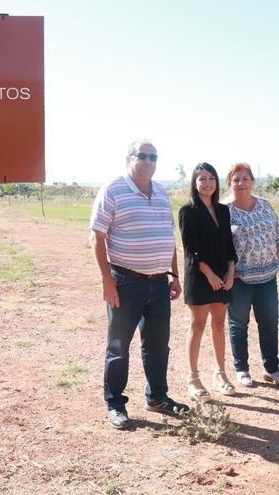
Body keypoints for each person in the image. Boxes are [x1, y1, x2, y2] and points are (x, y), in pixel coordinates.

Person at [90, 138, 190, 430]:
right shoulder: (113, 189)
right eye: (142, 155)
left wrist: (173, 275)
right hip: (125, 283)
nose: (148, 160)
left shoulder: (161, 192)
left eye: (153, 156)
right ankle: (115, 403)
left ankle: (158, 397)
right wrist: (107, 280)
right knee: (119, 346)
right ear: (129, 158)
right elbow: (97, 236)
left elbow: (168, 236)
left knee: (158, 346)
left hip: (158, 284)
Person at [225, 163, 279, 387]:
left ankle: (272, 368)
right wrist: (228, 271)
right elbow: (217, 246)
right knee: (238, 324)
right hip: (239, 281)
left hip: (267, 278)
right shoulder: (224, 210)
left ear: (252, 181)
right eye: (236, 180)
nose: (241, 183)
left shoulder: (263, 205)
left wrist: (278, 261)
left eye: (245, 179)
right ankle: (241, 369)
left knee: (269, 322)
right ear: (229, 183)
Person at [178, 162, 238, 400]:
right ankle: (193, 378)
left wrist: (230, 271)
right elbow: (191, 249)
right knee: (198, 325)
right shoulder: (187, 211)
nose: (207, 183)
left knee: (219, 325)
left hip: (223, 277)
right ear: (194, 183)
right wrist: (209, 274)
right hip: (200, 277)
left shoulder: (223, 210)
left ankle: (220, 373)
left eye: (211, 178)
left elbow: (229, 245)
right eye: (202, 178)